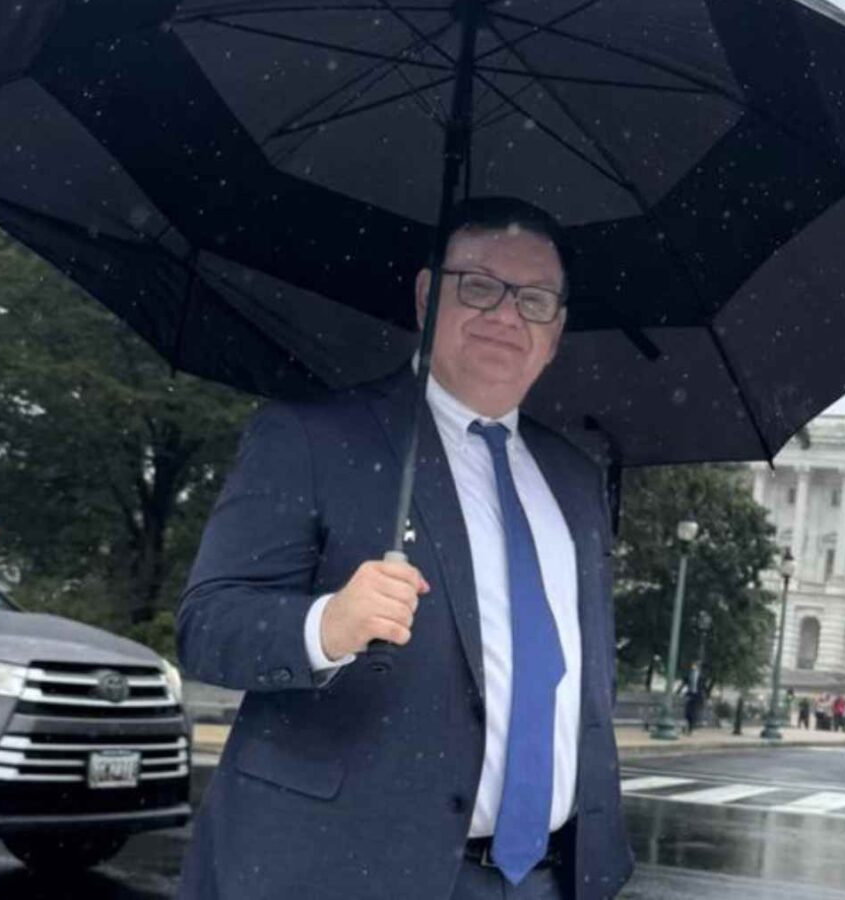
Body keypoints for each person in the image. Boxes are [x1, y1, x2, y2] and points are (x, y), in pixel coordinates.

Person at [176, 198, 631, 900]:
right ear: (426, 296)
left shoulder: (575, 477)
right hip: (350, 871)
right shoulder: (313, 438)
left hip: (549, 879)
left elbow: (580, 673)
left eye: (534, 299)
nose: (506, 315)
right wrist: (325, 626)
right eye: (479, 286)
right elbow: (207, 627)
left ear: (556, 331)